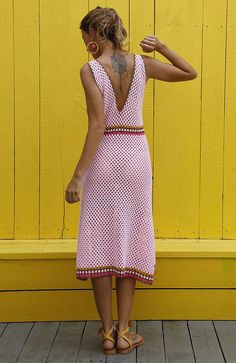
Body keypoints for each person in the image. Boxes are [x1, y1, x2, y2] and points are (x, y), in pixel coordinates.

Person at [65, 6, 197, 355]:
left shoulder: (90, 70)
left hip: (106, 159)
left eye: (85, 39)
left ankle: (107, 333)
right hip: (136, 156)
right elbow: (190, 73)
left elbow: (96, 124)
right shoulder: (143, 64)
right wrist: (162, 46)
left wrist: (77, 176)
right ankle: (126, 331)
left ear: (96, 36)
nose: (84, 46)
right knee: (128, 238)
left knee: (99, 239)